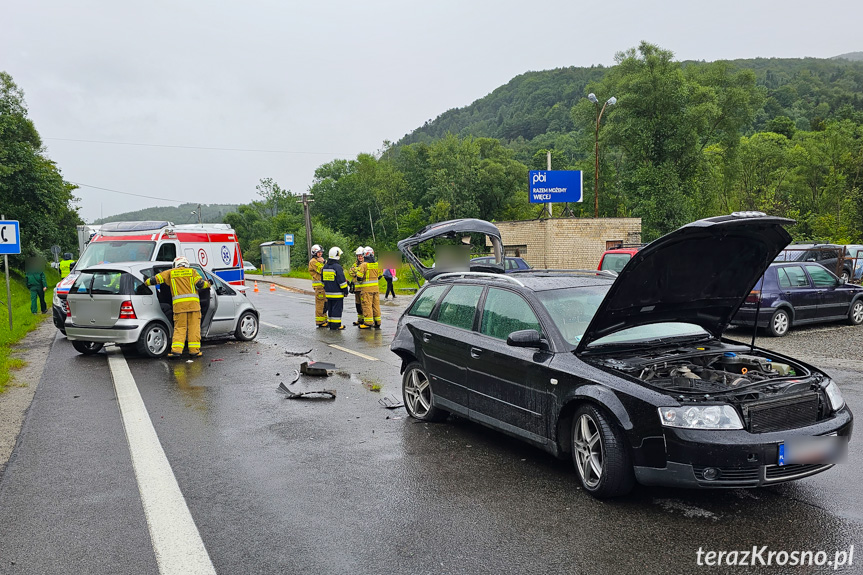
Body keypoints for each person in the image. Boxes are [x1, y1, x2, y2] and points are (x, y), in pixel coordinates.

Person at [145, 256, 210, 358]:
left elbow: (154, 280)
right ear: (186, 264)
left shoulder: (170, 272)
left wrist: (145, 282)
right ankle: (194, 351)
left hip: (179, 307)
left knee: (180, 328)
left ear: (175, 264)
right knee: (194, 328)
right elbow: (201, 285)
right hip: (194, 306)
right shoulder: (192, 272)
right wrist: (208, 284)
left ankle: (176, 351)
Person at [322, 247, 349, 330]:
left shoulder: (325, 266)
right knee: (337, 309)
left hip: (328, 293)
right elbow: (342, 281)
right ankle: (336, 325)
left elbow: (322, 281)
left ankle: (330, 323)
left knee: (330, 308)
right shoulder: (337, 267)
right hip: (337, 293)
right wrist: (346, 291)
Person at [356, 246, 382, 329]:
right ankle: (377, 322)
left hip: (366, 290)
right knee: (376, 305)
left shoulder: (363, 265)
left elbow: (359, 277)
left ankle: (368, 322)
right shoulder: (377, 264)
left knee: (367, 305)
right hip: (376, 289)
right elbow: (380, 276)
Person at [307, 244, 328, 328]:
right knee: (320, 304)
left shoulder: (318, 260)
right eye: (318, 252)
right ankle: (320, 321)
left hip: (323, 286)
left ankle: (324, 320)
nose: (320, 254)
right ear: (314, 253)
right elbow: (323, 270)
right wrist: (324, 262)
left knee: (325, 304)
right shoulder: (313, 262)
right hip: (319, 287)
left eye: (321, 252)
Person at [348, 247, 365, 326]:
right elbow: (350, 272)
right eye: (358, 256)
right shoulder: (355, 264)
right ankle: (360, 319)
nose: (360, 257)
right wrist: (357, 271)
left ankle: (366, 319)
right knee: (358, 304)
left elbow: (363, 273)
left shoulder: (366, 263)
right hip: (356, 289)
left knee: (364, 304)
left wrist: (356, 270)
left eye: (361, 256)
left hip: (364, 288)